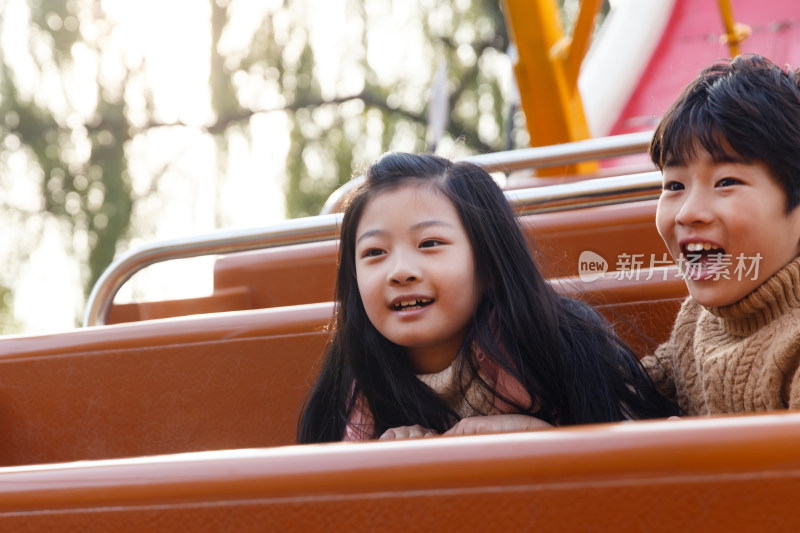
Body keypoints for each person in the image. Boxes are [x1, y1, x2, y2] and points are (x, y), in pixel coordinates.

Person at [297, 152, 678, 443]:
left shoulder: (554, 347)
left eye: (430, 243)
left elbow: (634, 458)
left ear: (490, 265)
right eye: (375, 253)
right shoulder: (357, 385)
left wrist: (538, 436)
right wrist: (384, 463)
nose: (400, 270)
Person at [642, 54, 800, 415]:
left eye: (726, 182)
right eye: (674, 185)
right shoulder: (696, 322)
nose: (688, 212)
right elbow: (626, 391)